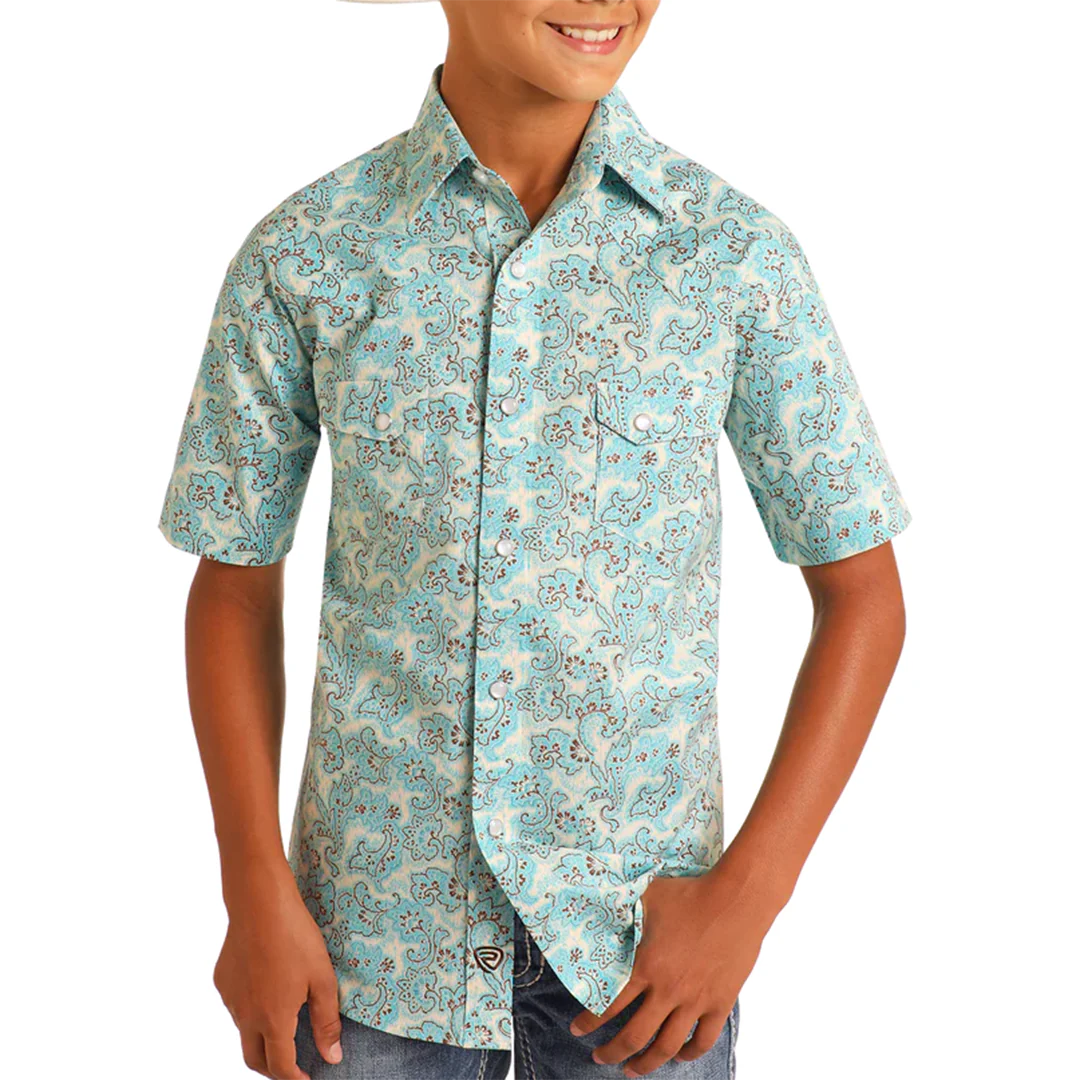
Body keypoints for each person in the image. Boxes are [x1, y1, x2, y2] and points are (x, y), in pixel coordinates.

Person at [157, 0, 912, 1077]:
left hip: (643, 955)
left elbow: (864, 594)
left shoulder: (731, 255)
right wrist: (251, 889)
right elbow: (233, 584)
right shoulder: (310, 252)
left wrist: (746, 903)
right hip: (370, 945)